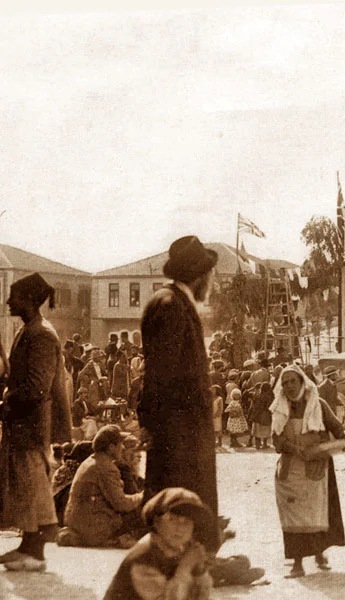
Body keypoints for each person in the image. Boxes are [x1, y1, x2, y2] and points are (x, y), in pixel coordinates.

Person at [138, 235, 220, 552]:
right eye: (210, 274)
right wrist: (153, 422)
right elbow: (161, 373)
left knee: (184, 498)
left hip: (181, 427)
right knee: (181, 497)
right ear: (200, 275)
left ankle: (191, 559)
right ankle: (184, 563)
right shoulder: (171, 306)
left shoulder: (174, 302)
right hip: (179, 430)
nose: (212, 281)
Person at [0, 273, 72, 572]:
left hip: (31, 423)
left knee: (33, 484)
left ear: (29, 301)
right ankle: (29, 545)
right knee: (27, 484)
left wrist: (7, 402)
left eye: (13, 296)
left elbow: (38, 386)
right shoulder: (28, 330)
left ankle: (36, 551)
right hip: (24, 423)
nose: (8, 300)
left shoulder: (41, 333)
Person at [270, 365, 345, 578]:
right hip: (290, 468)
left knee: (316, 513)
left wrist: (333, 443)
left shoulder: (319, 405)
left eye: (292, 381)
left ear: (302, 382)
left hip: (314, 468)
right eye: (284, 383)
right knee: (293, 516)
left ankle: (319, 553)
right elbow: (276, 439)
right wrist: (295, 449)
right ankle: (297, 563)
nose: (288, 386)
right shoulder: (279, 408)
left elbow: (337, 428)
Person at [104, 487, 216, 600]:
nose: (180, 527)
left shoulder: (184, 551)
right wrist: (185, 568)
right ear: (156, 522)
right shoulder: (144, 558)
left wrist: (199, 570)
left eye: (187, 522)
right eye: (172, 519)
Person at [58, 425, 144, 548]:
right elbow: (121, 504)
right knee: (145, 510)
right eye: (120, 444)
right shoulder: (106, 467)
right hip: (92, 528)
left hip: (76, 522)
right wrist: (142, 496)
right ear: (111, 447)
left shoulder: (91, 460)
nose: (123, 447)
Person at [247, 382, 274, 450]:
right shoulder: (269, 397)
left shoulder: (256, 396)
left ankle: (257, 445)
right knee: (265, 430)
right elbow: (269, 407)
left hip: (256, 415)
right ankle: (264, 444)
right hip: (265, 415)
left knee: (256, 431)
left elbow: (246, 394)